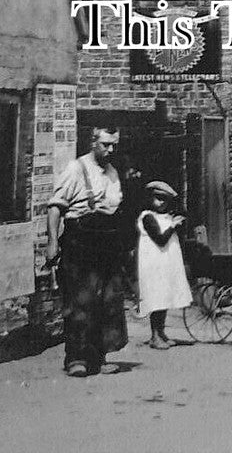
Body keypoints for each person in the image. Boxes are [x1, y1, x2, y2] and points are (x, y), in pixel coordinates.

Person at [45, 127, 131, 377]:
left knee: (108, 300)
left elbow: (114, 208)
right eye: (105, 144)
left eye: (113, 144)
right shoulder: (76, 168)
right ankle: (76, 358)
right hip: (80, 241)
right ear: (92, 142)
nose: (110, 150)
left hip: (106, 242)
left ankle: (100, 356)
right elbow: (54, 208)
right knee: (80, 300)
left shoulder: (113, 172)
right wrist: (52, 243)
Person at [136, 181, 192, 350]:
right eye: (158, 199)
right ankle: (154, 336)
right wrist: (173, 226)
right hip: (154, 264)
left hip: (166, 263)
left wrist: (177, 222)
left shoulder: (167, 216)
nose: (161, 203)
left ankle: (161, 332)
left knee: (165, 297)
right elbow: (160, 240)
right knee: (157, 299)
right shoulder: (148, 217)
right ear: (150, 199)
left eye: (165, 200)